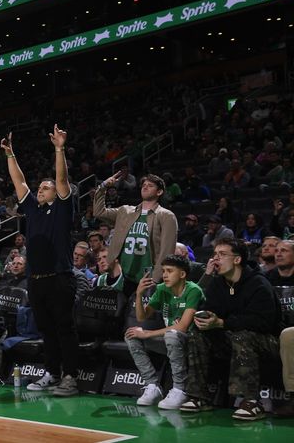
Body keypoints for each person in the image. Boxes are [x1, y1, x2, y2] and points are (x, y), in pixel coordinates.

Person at [1, 126, 79, 397]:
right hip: (36, 280)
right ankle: (52, 373)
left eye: (46, 187)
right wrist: (10, 154)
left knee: (64, 329)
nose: (41, 190)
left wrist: (59, 149)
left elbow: (62, 179)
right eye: (40, 187)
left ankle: (70, 377)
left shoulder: (62, 207)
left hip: (60, 278)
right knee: (45, 330)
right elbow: (19, 183)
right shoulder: (33, 209)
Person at [180, 238, 281, 420]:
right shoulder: (218, 283)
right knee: (197, 335)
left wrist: (221, 323)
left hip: (269, 341)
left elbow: (263, 322)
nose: (216, 259)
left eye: (222, 254)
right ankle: (199, 397)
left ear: (237, 259)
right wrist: (207, 320)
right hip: (234, 337)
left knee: (242, 336)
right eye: (215, 254)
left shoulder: (258, 283)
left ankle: (251, 401)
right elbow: (211, 310)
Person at [126, 254, 204, 410]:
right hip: (169, 339)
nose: (165, 275)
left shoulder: (194, 290)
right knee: (131, 335)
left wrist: (148, 333)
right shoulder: (162, 289)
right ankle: (152, 386)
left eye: (169, 271)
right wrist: (140, 294)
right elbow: (142, 317)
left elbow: (182, 327)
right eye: (163, 271)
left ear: (182, 274)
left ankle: (179, 390)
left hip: (193, 344)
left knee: (172, 335)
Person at [94, 172, 178, 294]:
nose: (145, 187)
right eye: (144, 184)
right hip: (123, 276)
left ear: (159, 192)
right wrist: (102, 188)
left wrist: (156, 279)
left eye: (150, 185)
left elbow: (167, 251)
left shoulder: (166, 216)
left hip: (148, 278)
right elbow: (98, 212)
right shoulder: (125, 211)